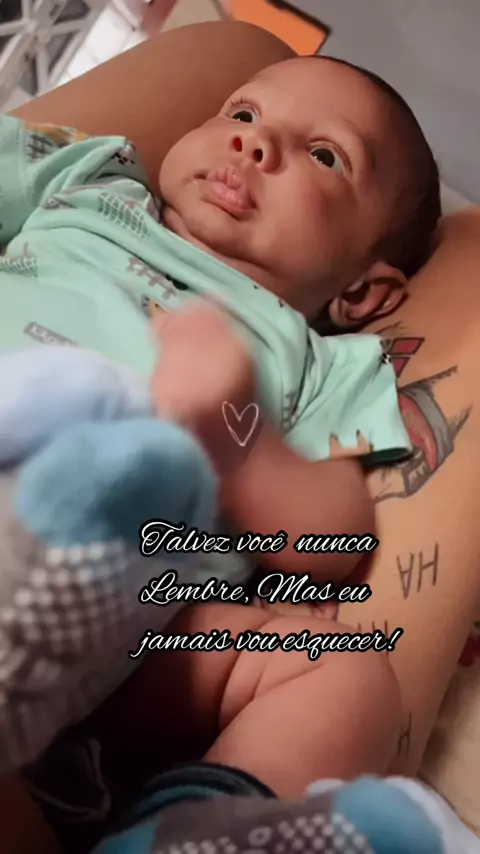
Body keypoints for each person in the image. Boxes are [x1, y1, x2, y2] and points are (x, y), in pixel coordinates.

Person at [0, 54, 441, 805]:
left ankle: (194, 832)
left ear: (364, 292)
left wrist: (240, 444)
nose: (254, 143)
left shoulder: (323, 362)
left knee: (343, 671)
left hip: (123, 628)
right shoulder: (91, 179)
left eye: (324, 155)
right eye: (242, 113)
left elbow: (333, 544)